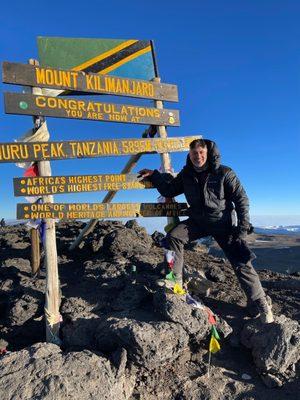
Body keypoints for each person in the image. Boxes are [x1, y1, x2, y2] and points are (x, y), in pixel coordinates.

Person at [138, 138, 274, 323]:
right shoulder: (187, 174)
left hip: (222, 223)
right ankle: (174, 280)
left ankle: (260, 303)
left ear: (208, 153)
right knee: (174, 237)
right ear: (190, 154)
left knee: (241, 259)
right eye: (194, 153)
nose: (198, 156)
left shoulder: (224, 172)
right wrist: (155, 175)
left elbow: (241, 199)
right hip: (198, 222)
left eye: (201, 152)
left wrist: (241, 227)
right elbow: (169, 190)